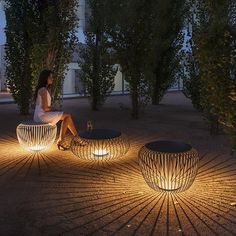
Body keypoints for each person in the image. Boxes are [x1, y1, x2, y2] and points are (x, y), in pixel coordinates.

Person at [34, 69, 78, 150]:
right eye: (50, 77)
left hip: (40, 114)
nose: (52, 78)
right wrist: (56, 110)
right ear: (45, 78)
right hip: (42, 115)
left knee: (67, 116)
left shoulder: (42, 89)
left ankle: (74, 138)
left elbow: (45, 107)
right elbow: (45, 108)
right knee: (67, 115)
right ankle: (67, 139)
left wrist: (55, 110)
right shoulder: (43, 90)